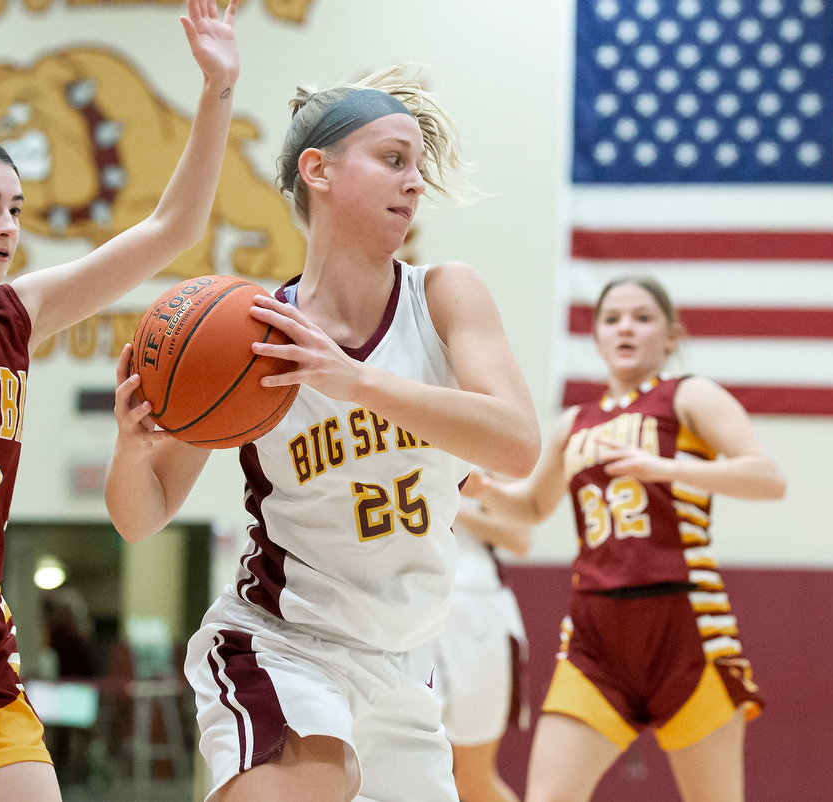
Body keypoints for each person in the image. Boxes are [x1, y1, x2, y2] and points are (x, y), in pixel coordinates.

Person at [105, 65, 541, 802]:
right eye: (394, 160)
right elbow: (141, 517)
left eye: (418, 167)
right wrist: (132, 448)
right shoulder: (249, 336)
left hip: (405, 663)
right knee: (310, 781)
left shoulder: (444, 297)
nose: (414, 183)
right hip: (283, 645)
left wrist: (354, 380)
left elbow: (517, 443)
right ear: (320, 169)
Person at [0, 0, 240, 799]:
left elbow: (173, 229)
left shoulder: (19, 316)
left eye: (15, 208)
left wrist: (217, 88)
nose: (8, 225)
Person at [465, 276, 786, 802]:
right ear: (595, 338)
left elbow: (767, 478)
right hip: (596, 631)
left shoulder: (689, 395)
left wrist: (662, 467)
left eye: (642, 317)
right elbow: (531, 506)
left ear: (673, 335)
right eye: (612, 319)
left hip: (684, 624)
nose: (625, 328)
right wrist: (480, 486)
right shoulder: (575, 422)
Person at [430, 493, 532, 802]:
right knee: (409, 773)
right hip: (405, 604)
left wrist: (444, 502)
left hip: (475, 608)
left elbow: (519, 539)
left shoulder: (484, 458)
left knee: (472, 782)